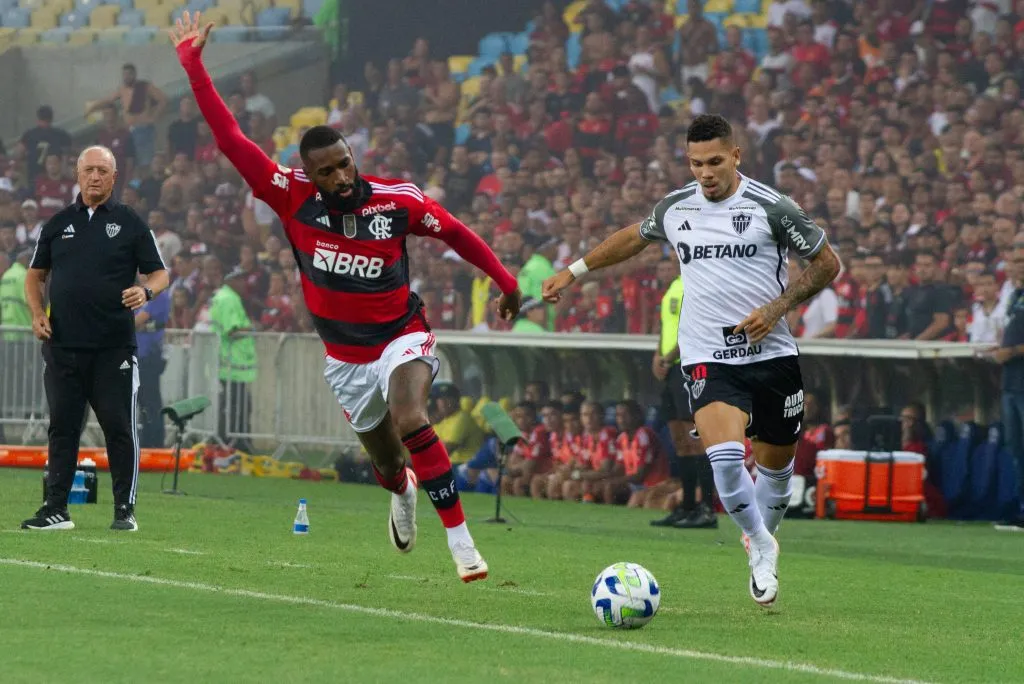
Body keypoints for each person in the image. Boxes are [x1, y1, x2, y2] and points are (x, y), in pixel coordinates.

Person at [170, 12, 521, 581]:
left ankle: (462, 542)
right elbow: (230, 140)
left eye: (345, 164)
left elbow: (456, 233)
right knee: (386, 462)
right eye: (327, 171)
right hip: (345, 358)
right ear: (309, 173)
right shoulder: (289, 196)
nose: (340, 177)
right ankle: (402, 490)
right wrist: (193, 67)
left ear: (354, 157)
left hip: (401, 335)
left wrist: (506, 282)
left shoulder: (396, 201)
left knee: (412, 417)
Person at [543, 114, 840, 606]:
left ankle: (763, 537)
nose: (705, 172)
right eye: (696, 163)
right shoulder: (676, 207)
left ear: (736, 156)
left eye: (715, 161)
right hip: (707, 356)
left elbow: (827, 263)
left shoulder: (773, 207)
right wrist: (573, 271)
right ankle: (761, 547)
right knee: (725, 459)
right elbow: (632, 237)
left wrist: (777, 308)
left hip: (771, 355)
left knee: (776, 472)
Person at [20, 145, 170, 531]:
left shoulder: (130, 221)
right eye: (89, 170)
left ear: (114, 177)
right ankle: (56, 509)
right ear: (77, 174)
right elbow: (35, 276)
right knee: (62, 428)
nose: (95, 177)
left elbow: (160, 273)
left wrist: (146, 292)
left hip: (112, 348)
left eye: (103, 170)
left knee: (118, 428)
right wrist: (37, 313)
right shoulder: (57, 223)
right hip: (62, 346)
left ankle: (124, 510)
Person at [649, 264, 717, 529]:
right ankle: (687, 506)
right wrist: (657, 354)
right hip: (670, 369)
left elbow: (693, 328)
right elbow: (666, 327)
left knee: (695, 439)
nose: (662, 271)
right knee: (680, 440)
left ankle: (707, 509)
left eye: (668, 266)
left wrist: (668, 357)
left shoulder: (694, 284)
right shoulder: (671, 289)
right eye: (661, 267)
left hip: (687, 366)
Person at [135, 286, 170, 448]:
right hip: (137, 354)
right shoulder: (138, 293)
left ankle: (154, 443)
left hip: (149, 355)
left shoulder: (158, 295)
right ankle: (146, 442)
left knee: (150, 401)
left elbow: (137, 320)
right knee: (142, 401)